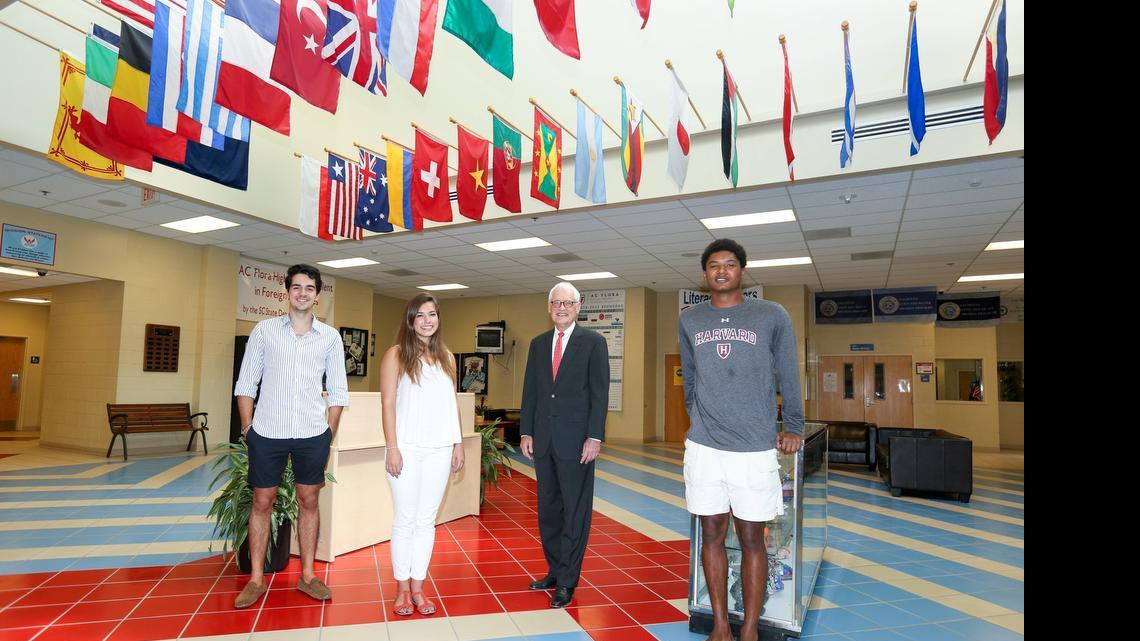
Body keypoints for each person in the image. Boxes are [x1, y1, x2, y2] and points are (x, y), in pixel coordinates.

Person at [678, 239, 804, 641]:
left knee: (752, 538)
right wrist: (695, 418)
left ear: (742, 271)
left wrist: (795, 425)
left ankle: (749, 626)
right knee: (710, 533)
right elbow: (691, 377)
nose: (721, 271)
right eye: (713, 265)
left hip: (753, 448)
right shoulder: (690, 319)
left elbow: (788, 371)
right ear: (704, 274)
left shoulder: (771, 315)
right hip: (705, 447)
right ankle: (719, 623)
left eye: (729, 264)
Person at [232, 264, 349, 609]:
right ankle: (255, 579)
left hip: (312, 433)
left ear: (317, 294)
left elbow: (339, 392)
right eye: (296, 287)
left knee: (309, 500)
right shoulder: (264, 331)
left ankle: (309, 576)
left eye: (309, 288)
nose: (302, 293)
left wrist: (328, 434)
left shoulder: (329, 338)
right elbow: (245, 384)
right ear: (287, 291)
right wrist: (247, 428)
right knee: (261, 501)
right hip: (267, 432)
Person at [520, 282, 610, 608]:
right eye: (556, 302)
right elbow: (531, 390)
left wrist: (595, 437)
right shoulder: (538, 344)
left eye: (567, 303)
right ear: (549, 308)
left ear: (578, 306)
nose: (561, 307)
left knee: (575, 513)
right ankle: (555, 571)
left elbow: (600, 394)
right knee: (548, 512)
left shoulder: (594, 343)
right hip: (543, 442)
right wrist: (526, 431)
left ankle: (568, 581)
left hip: (577, 445)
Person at [379, 293, 465, 617]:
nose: (428, 320)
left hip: (440, 449)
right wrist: (392, 447)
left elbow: (451, 403)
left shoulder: (447, 357)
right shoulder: (397, 355)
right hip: (407, 449)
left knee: (427, 521)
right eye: (421, 315)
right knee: (405, 519)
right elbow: (387, 404)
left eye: (433, 314)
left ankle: (419, 588)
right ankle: (401, 590)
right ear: (410, 320)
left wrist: (457, 444)